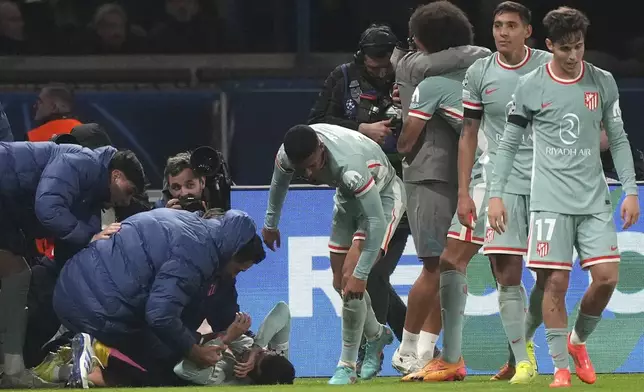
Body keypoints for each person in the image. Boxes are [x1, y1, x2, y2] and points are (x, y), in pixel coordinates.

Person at [487, 6, 639, 388]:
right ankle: (559, 369)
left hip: (594, 201)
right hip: (549, 203)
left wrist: (630, 190)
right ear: (550, 45)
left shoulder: (602, 81)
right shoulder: (532, 85)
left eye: (580, 47)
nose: (574, 57)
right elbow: (508, 144)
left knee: (606, 279)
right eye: (565, 49)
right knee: (553, 283)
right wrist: (496, 195)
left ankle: (577, 342)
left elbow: (618, 140)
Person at [405, 2, 551, 383]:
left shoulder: (548, 66)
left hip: (540, 182)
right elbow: (469, 134)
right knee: (452, 260)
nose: (502, 32)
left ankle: (522, 352)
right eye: (497, 25)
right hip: (489, 181)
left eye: (511, 26)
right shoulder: (479, 70)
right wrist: (466, 192)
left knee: (530, 274)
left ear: (527, 31)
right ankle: (452, 359)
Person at [52, 208, 266, 388]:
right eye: (237, 269)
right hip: (96, 303)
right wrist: (193, 350)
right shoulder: (199, 253)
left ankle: (71, 362)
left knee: (166, 350)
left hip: (77, 287)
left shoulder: (195, 231)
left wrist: (250, 346)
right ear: (232, 253)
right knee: (165, 367)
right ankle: (87, 360)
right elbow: (160, 314)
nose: (234, 276)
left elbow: (220, 310)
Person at [263, 123, 405, 384]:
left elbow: (375, 221)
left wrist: (362, 274)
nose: (308, 173)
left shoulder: (350, 166)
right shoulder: (287, 155)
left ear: (321, 147)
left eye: (312, 164)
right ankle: (376, 336)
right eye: (301, 169)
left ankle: (347, 366)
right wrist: (270, 224)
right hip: (347, 198)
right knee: (340, 283)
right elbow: (279, 184)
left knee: (353, 277)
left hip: (382, 198)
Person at [392, 1, 489, 377]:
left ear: (423, 38)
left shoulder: (431, 64)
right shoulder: (425, 66)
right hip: (429, 173)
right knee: (434, 265)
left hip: (467, 174)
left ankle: (426, 350)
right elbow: (466, 55)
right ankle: (405, 348)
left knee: (452, 266)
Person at [0, 141, 144, 388]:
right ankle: (12, 371)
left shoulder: (89, 195)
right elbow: (48, 207)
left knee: (16, 275)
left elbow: (71, 255)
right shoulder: (82, 162)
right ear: (116, 175)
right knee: (16, 275)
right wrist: (90, 236)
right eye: (129, 191)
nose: (127, 200)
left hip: (6, 203)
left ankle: (12, 372)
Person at [308, 23, 408, 368]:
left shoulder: (411, 74)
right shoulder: (342, 77)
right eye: (374, 62)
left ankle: (376, 345)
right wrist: (361, 129)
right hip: (358, 189)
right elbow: (316, 124)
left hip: (404, 186)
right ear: (361, 56)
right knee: (369, 274)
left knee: (373, 272)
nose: (381, 69)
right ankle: (402, 343)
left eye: (386, 62)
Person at [174, 302, 295, 385]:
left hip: (180, 343)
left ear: (250, 374)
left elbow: (181, 368)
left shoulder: (224, 377)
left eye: (257, 358)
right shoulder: (277, 363)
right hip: (222, 331)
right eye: (264, 351)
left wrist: (225, 340)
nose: (261, 351)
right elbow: (282, 308)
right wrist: (256, 349)